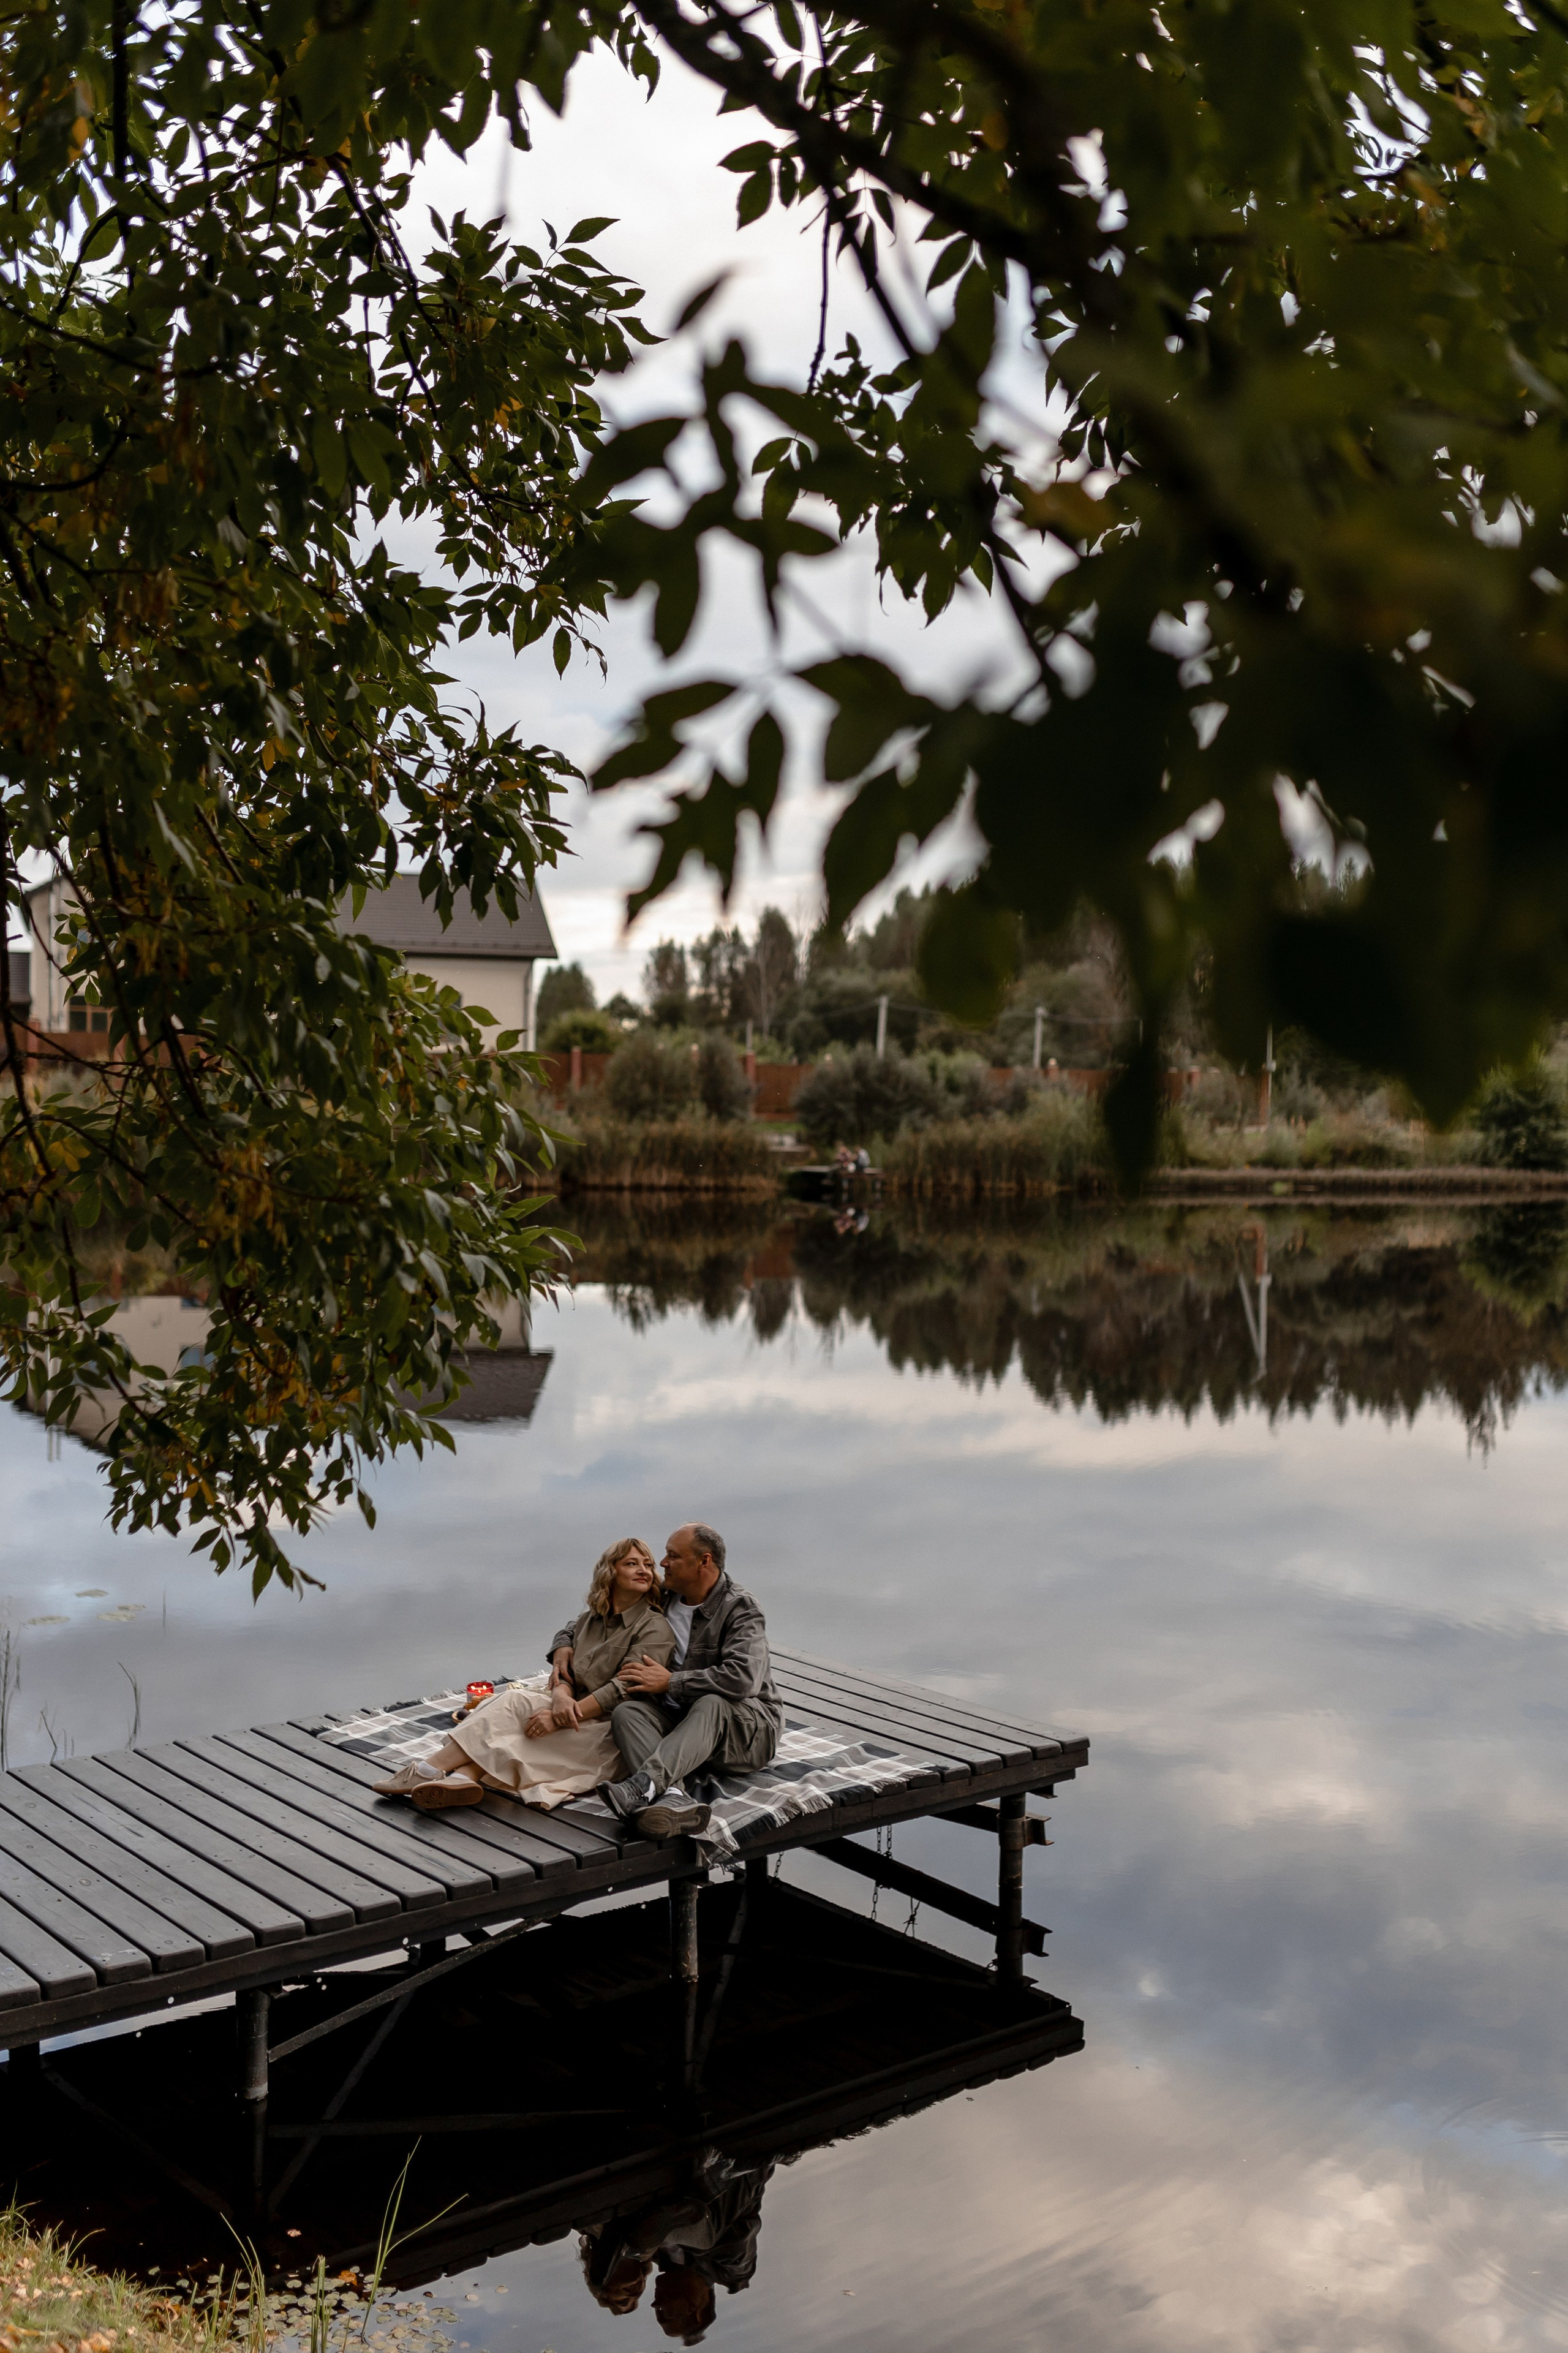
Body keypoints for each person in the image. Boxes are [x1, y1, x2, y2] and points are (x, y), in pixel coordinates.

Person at [372, 1538, 674, 1811]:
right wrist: (559, 1694)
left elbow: (625, 1687)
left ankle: (433, 1772)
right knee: (512, 1701)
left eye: (648, 1565)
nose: (644, 1570)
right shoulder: (591, 1620)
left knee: (521, 1733)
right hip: (573, 1708)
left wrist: (559, 1717)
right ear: (611, 1573)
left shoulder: (654, 1626)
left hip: (606, 1726)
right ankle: (456, 1777)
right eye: (632, 1563)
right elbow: (566, 1669)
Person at [584, 1522, 782, 1840]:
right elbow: (598, 1613)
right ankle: (674, 1799)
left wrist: (671, 1682)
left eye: (673, 1556)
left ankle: (643, 1785)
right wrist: (563, 1647)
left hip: (746, 1734)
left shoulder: (741, 1607)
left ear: (704, 1562)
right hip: (684, 1724)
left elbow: (742, 1680)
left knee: (713, 1701)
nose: (662, 1564)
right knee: (628, 1712)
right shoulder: (665, 1596)